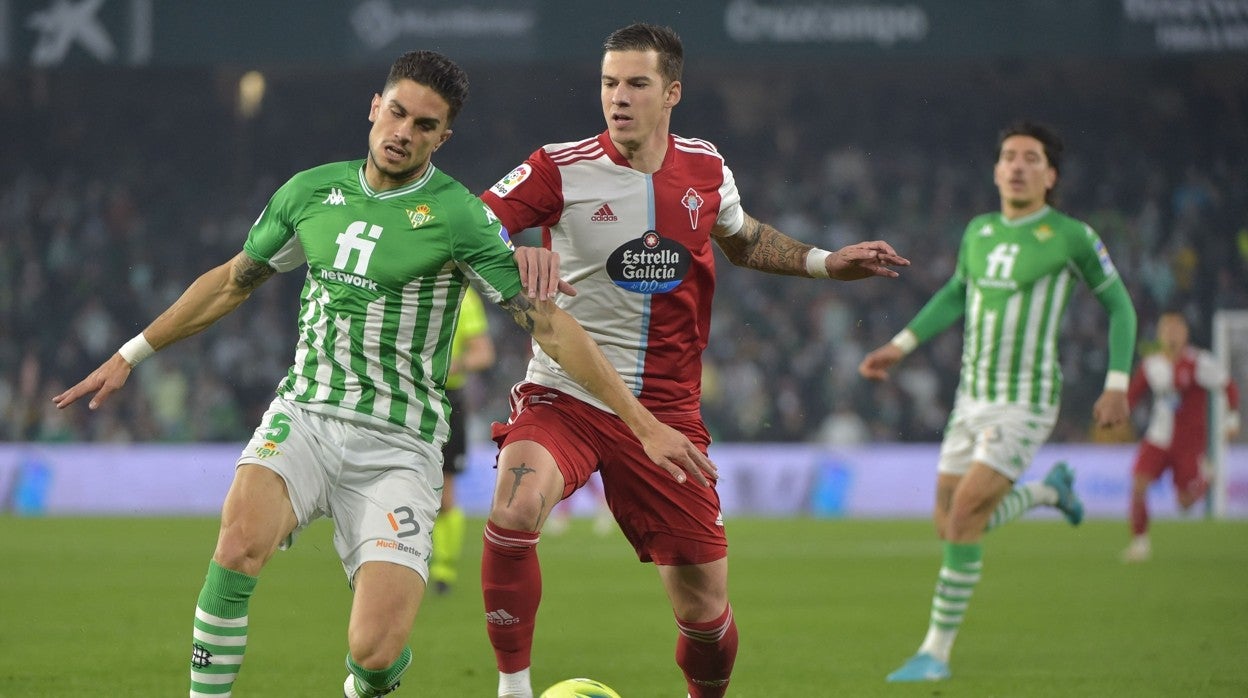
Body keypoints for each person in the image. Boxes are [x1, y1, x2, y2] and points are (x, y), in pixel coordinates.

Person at [52, 49, 714, 698]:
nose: (403, 133)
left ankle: (367, 682)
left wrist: (641, 422)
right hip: (306, 416)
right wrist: (129, 355)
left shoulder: (460, 217)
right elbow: (232, 282)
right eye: (396, 113)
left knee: (375, 654)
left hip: (399, 445)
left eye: (424, 125)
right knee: (237, 544)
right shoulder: (309, 193)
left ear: (443, 137)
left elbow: (548, 324)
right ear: (375, 107)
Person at [477, 23, 909, 698]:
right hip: (566, 394)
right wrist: (512, 252)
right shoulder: (557, 166)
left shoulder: (706, 168)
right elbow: (475, 225)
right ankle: (513, 688)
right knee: (515, 499)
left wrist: (826, 263)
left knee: (704, 611)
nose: (618, 98)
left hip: (667, 409)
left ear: (672, 92)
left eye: (636, 84)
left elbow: (742, 239)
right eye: (608, 83)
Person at [859, 120, 1138, 682]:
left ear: (1050, 174)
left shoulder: (1072, 236)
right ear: (995, 170)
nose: (1017, 165)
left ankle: (934, 653)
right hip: (971, 400)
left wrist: (1116, 383)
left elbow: (1121, 309)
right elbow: (956, 294)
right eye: (1009, 156)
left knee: (965, 516)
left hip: (1026, 401)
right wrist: (900, 345)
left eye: (1030, 158)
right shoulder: (979, 232)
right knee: (949, 524)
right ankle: (1047, 492)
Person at [1122, 311, 1240, 562]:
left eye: (1177, 329)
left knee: (1185, 505)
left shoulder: (1199, 362)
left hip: (1188, 443)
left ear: (1185, 333)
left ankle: (1204, 478)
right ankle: (1140, 543)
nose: (1171, 335)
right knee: (1138, 485)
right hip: (1157, 437)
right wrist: (1119, 414)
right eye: (1167, 329)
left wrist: (1232, 419)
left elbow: (1228, 386)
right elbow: (1133, 394)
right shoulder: (1152, 364)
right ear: (1159, 334)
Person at [429, 285, 495, 594]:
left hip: (446, 400)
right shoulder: (411, 283)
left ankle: (443, 570)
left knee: (445, 495)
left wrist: (455, 365)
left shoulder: (465, 298)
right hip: (406, 396)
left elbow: (483, 353)